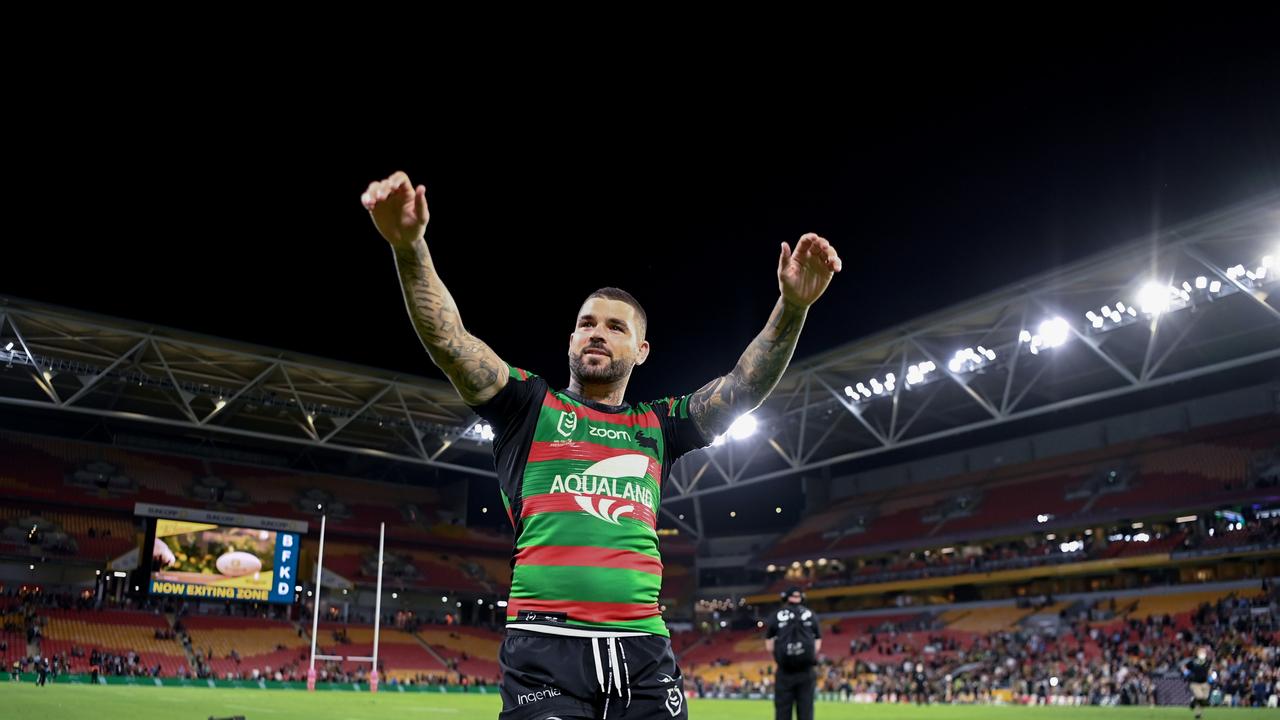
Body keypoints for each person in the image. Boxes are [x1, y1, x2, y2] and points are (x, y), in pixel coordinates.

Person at [363, 172, 841, 719]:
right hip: (544, 650)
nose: (596, 332)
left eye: (615, 327)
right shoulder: (528, 407)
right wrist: (409, 247)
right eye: (586, 323)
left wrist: (793, 308)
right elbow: (451, 342)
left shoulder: (659, 425)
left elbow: (741, 389)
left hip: (643, 653)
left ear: (641, 350)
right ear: (569, 339)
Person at [764, 586, 822, 720]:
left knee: (783, 711)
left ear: (785, 598)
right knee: (806, 710)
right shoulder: (810, 614)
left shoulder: (777, 615)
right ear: (802, 598)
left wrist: (781, 655)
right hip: (806, 670)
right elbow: (817, 640)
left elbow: (769, 644)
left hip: (785, 671)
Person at [1183, 646, 1211, 720]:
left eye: (1204, 652)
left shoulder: (1207, 661)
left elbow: (1209, 670)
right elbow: (1184, 667)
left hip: (1205, 683)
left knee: (1203, 700)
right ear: (1198, 653)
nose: (1203, 653)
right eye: (1201, 651)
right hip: (1195, 683)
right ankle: (1194, 700)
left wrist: (1211, 676)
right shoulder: (1193, 661)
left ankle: (1198, 714)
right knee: (1200, 697)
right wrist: (1186, 673)